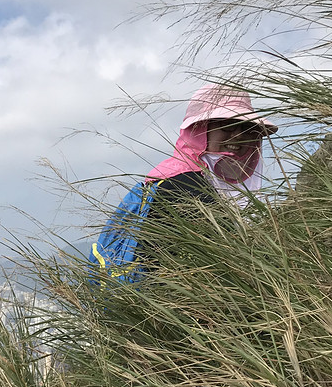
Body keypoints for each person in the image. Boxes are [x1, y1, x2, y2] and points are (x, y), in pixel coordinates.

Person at [91, 83, 277, 281]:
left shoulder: (170, 177)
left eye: (247, 129)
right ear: (200, 131)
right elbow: (241, 261)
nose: (239, 136)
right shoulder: (184, 186)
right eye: (227, 125)